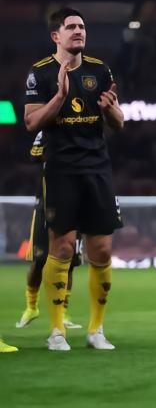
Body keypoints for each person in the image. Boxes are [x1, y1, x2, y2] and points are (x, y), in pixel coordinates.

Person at [24, 7, 124, 351]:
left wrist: (110, 109)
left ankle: (96, 330)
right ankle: (56, 331)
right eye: (71, 27)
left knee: (102, 250)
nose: (79, 31)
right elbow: (31, 122)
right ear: (57, 35)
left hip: (97, 168)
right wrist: (59, 98)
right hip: (61, 169)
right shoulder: (40, 73)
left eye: (82, 26)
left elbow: (119, 123)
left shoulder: (100, 70)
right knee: (63, 246)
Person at [16, 132, 82, 330]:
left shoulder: (83, 127)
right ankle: (31, 307)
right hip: (46, 202)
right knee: (39, 260)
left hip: (75, 201)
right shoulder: (47, 130)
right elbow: (34, 156)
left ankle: (63, 311)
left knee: (70, 262)